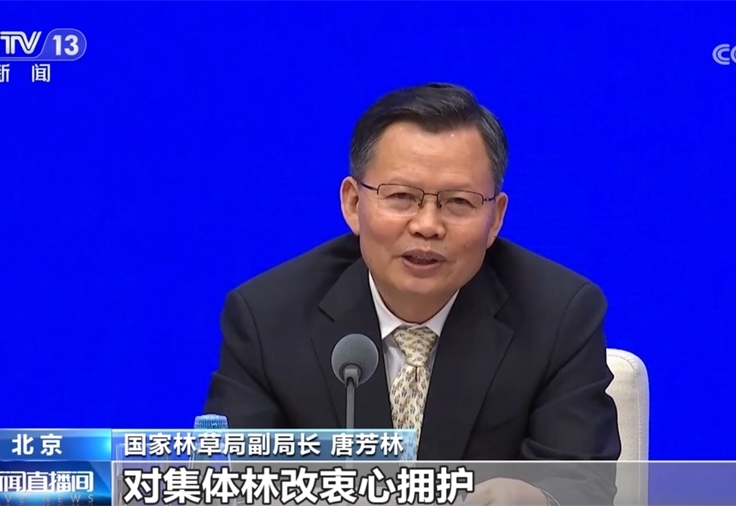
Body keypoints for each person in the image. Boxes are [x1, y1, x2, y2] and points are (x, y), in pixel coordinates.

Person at [204, 83, 621, 504]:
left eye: (458, 202)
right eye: (402, 197)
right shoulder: (268, 317)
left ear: (495, 218)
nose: (427, 226)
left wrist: (537, 499)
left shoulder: (558, 314)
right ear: (353, 204)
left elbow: (582, 484)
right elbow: (228, 484)